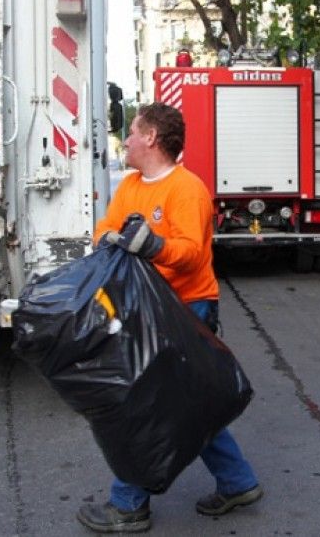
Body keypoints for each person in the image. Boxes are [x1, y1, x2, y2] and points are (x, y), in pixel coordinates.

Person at [78, 102, 263, 533]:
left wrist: (151, 245)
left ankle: (128, 504)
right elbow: (105, 226)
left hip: (186, 309)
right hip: (147, 307)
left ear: (151, 138)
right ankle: (238, 482)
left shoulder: (187, 189)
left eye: (132, 132)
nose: (124, 141)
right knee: (186, 406)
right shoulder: (131, 186)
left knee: (144, 406)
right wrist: (112, 236)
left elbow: (190, 254)